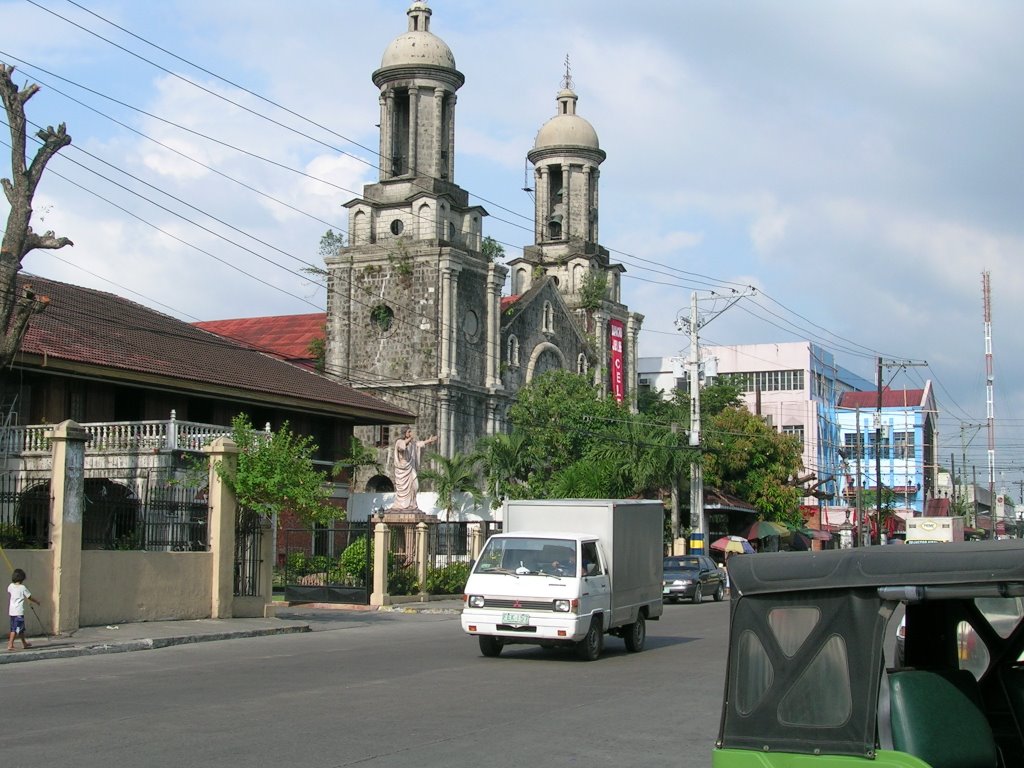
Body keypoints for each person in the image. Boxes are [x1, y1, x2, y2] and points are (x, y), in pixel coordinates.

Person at [391, 428, 438, 512]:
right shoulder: (399, 442)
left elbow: (419, 444)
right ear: (404, 433)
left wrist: (429, 440)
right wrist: (410, 438)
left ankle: (411, 504)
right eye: (409, 431)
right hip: (403, 468)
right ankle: (402, 505)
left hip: (410, 468)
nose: (410, 433)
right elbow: (402, 447)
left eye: (410, 431)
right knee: (403, 489)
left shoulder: (412, 443)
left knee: (415, 485)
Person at [8, 568, 40, 651]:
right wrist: (37, 601)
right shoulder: (22, 588)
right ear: (22, 578)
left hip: (12, 611)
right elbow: (29, 596)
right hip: (18, 612)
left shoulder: (10, 586)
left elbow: (10, 591)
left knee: (18, 629)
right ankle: (10, 644)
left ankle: (24, 643)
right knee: (16, 629)